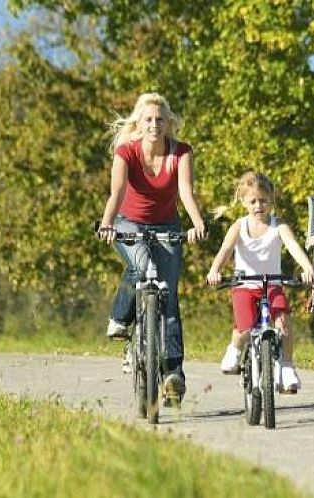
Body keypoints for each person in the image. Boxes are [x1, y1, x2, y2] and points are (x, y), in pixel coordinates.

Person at [97, 92, 206, 401]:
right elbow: (116, 191)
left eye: (160, 119)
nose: (154, 125)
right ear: (139, 122)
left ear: (168, 122)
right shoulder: (126, 152)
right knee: (143, 267)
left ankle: (173, 373)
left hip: (167, 225)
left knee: (168, 297)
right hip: (127, 222)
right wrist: (107, 224)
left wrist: (197, 223)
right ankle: (120, 318)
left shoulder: (181, 153)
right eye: (148, 119)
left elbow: (185, 191)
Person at [206, 172, 314, 393]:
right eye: (253, 201)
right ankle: (235, 349)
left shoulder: (278, 225)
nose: (259, 206)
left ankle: (286, 366)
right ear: (243, 201)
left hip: (272, 285)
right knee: (245, 328)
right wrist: (215, 269)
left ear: (271, 200)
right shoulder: (239, 225)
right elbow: (225, 250)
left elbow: (293, 246)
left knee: (283, 322)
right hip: (245, 286)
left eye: (263, 201)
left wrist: (307, 268)